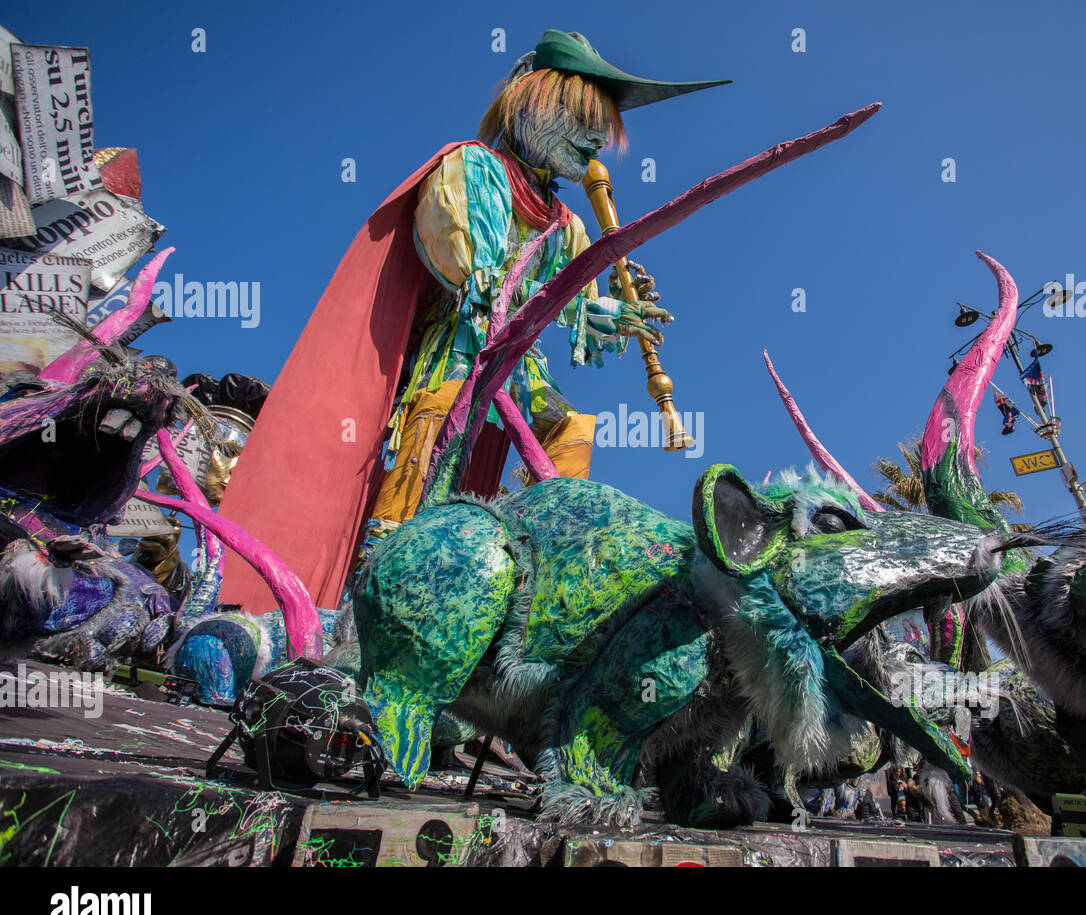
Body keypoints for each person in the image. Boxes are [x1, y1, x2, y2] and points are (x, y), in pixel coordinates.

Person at [217, 31, 728, 612]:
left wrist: (610, 311)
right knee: (434, 440)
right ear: (532, 104)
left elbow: (570, 310)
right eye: (581, 118)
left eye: (601, 129)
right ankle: (372, 593)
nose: (593, 141)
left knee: (570, 433)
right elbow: (475, 275)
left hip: (522, 367)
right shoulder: (473, 168)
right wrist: (574, 298)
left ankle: (537, 563)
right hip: (463, 348)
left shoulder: (567, 225)